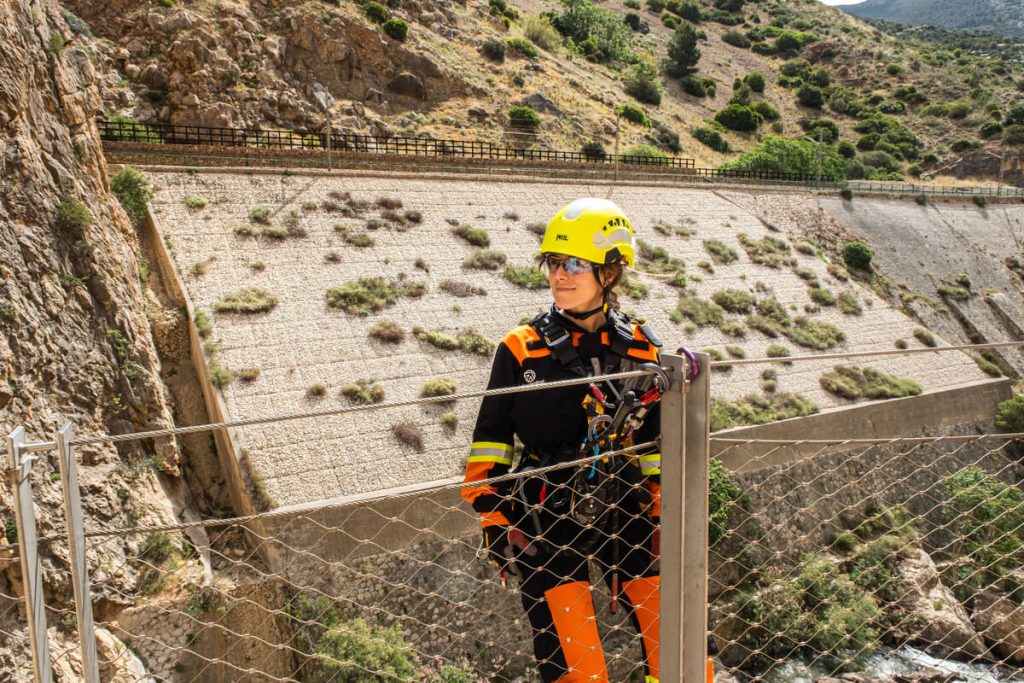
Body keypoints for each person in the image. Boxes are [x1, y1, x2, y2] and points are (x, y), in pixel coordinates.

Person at [461, 198, 663, 683]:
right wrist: (494, 517)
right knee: (575, 665)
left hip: (627, 505)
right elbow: (490, 441)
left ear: (610, 274)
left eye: (574, 264)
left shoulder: (640, 348)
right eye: (554, 263)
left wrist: (659, 511)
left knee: (680, 639)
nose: (559, 275)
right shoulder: (521, 348)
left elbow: (654, 443)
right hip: (545, 514)